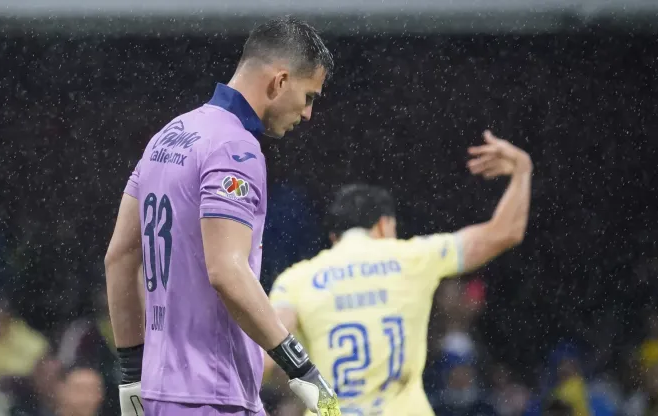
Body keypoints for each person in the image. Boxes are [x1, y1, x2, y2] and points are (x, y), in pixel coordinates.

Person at [104, 17, 340, 416]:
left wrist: (131, 376)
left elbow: (120, 257)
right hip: (213, 395)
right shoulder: (234, 148)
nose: (308, 113)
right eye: (310, 96)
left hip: (161, 394)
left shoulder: (169, 134)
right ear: (280, 81)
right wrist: (302, 369)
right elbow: (227, 271)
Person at [266, 131, 533, 415]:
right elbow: (504, 232)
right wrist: (522, 170)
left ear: (334, 236)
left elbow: (263, 357)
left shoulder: (295, 280)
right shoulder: (414, 257)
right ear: (383, 225)